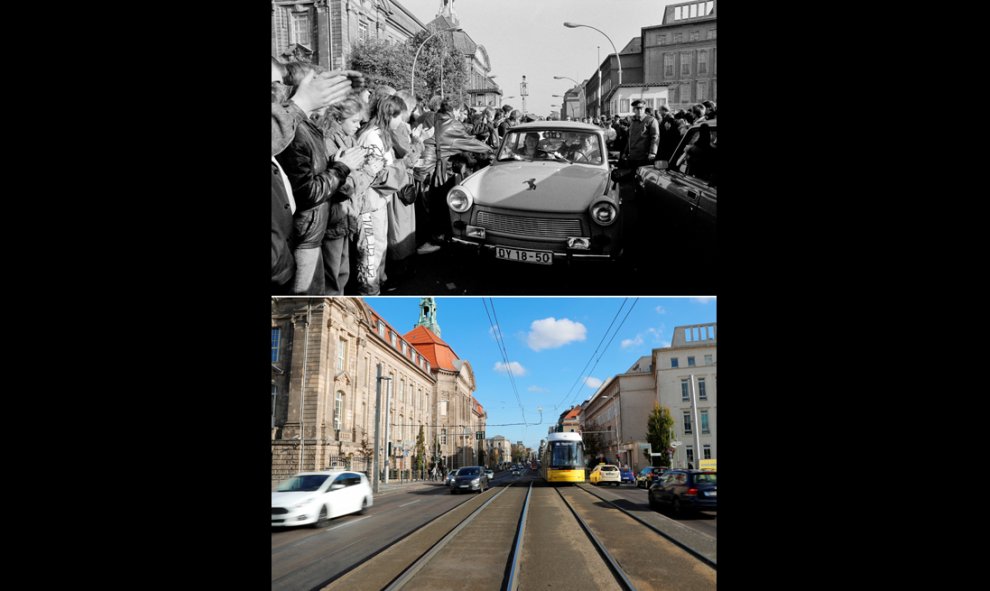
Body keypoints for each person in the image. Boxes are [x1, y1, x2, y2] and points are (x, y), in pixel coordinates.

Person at [274, 60, 366, 294]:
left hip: (314, 230)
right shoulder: (296, 131)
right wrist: (341, 168)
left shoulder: (307, 128)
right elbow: (307, 191)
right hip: (305, 235)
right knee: (307, 302)